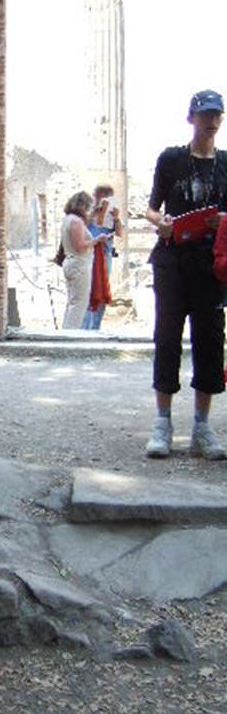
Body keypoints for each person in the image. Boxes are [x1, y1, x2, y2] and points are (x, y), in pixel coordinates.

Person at [145, 88, 227, 459]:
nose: (212, 121)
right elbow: (151, 209)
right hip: (172, 259)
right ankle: (162, 423)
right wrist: (161, 221)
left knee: (210, 341)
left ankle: (202, 428)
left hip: (211, 264)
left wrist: (222, 219)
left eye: (217, 115)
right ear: (191, 118)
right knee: (167, 337)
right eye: (205, 114)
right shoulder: (172, 159)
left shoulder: (226, 164)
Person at [60, 191, 108, 329]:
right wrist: (96, 240)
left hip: (70, 262)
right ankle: (71, 335)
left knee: (72, 302)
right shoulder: (76, 222)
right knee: (79, 303)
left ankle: (66, 332)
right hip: (79, 263)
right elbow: (80, 246)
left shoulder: (68, 219)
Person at [81, 185, 123, 330]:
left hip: (104, 254)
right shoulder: (89, 212)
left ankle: (95, 326)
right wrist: (93, 213)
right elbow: (81, 229)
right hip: (87, 254)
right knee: (87, 289)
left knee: (101, 288)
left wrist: (117, 218)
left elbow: (119, 233)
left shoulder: (112, 213)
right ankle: (84, 327)